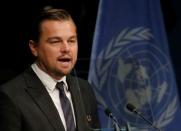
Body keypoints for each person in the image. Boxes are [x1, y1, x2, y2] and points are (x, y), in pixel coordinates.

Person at [0, 7, 100, 131]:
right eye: (55, 41)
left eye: (71, 41)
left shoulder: (85, 89)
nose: (66, 49)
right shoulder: (11, 96)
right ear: (34, 47)